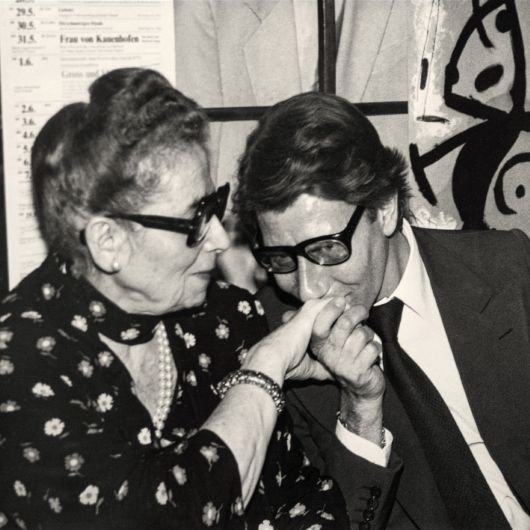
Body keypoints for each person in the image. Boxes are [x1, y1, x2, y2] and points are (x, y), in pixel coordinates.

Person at [0, 69, 352, 529]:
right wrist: (264, 368)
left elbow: (302, 499)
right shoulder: (18, 361)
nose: (220, 240)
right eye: (196, 219)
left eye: (215, 205)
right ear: (108, 242)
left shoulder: (225, 318)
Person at [234, 92, 530, 530]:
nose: (309, 288)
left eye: (327, 248)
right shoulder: (274, 349)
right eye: (281, 258)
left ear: (385, 208)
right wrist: (360, 411)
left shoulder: (509, 269)